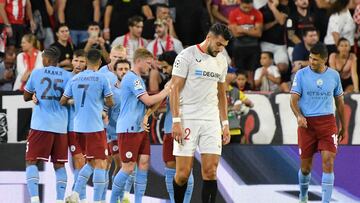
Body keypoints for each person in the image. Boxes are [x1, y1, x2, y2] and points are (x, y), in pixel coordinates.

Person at [170, 23, 231, 203]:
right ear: (209, 37)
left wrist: (225, 124)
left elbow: (221, 93)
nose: (221, 49)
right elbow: (174, 89)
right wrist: (176, 121)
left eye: (224, 46)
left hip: (211, 120)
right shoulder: (187, 55)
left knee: (211, 171)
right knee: (182, 174)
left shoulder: (221, 61)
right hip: (187, 118)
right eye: (219, 45)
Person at [110, 48, 170, 203]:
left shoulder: (139, 79)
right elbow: (149, 101)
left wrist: (145, 116)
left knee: (143, 164)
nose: (150, 67)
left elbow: (141, 104)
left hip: (140, 128)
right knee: (128, 168)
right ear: (138, 61)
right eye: (148, 63)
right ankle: (112, 200)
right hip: (129, 128)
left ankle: (138, 201)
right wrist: (166, 90)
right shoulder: (132, 78)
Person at [290, 42, 345, 203]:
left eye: (315, 59)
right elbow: (293, 99)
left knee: (328, 161)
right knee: (306, 169)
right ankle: (303, 196)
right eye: (310, 58)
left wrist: (343, 126)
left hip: (328, 123)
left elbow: (340, 102)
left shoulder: (334, 76)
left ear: (325, 60)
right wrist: (299, 116)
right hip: (307, 124)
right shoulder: (301, 74)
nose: (311, 62)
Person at [61, 49, 114, 203]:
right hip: (94, 127)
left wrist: (75, 101)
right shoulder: (102, 78)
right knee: (101, 163)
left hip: (77, 128)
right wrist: (102, 104)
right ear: (99, 62)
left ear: (86, 61)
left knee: (90, 161)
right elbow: (110, 102)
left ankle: (75, 193)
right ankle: (98, 201)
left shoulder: (75, 79)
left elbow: (63, 101)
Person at [23, 46, 72, 203]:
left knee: (31, 161)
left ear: (47, 59)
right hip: (60, 127)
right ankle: (59, 200)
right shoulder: (67, 76)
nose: (41, 60)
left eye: (43, 57)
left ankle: (35, 200)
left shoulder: (37, 73)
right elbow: (70, 99)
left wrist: (35, 95)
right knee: (59, 165)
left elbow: (25, 96)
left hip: (41, 125)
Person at [104, 59, 131, 203]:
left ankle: (122, 196)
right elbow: (104, 107)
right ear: (115, 72)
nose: (124, 71)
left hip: (130, 132)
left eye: (126, 69)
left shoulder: (134, 88)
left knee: (129, 166)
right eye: (120, 69)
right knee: (120, 164)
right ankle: (118, 198)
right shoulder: (110, 90)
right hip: (114, 132)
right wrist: (104, 116)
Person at [66, 49, 87, 202]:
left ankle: (78, 195)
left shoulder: (90, 78)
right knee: (79, 161)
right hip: (71, 126)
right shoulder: (66, 77)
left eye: (82, 61)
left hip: (88, 126)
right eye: (76, 60)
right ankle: (78, 196)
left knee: (85, 162)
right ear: (71, 61)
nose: (78, 64)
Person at [228, 0, 263, 88]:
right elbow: (235, 33)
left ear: (252, 4)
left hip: (253, 46)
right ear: (240, 4)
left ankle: (252, 89)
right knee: (240, 72)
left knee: (251, 72)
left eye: (249, 7)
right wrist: (251, 30)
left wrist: (242, 29)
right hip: (239, 46)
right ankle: (240, 92)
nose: (247, 9)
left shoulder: (257, 13)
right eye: (244, 7)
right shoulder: (234, 13)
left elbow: (258, 33)